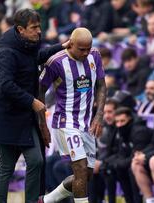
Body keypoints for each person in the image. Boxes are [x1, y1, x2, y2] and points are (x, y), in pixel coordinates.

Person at [0, 9, 69, 203]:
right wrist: (32, 102)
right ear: (21, 30)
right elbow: (5, 85)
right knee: (6, 167)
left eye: (39, 26)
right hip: (5, 118)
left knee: (36, 160)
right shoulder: (6, 52)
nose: (39, 31)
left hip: (24, 117)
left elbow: (38, 56)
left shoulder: (27, 46)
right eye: (34, 28)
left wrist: (62, 46)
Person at [38, 27, 107, 203]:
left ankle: (47, 200)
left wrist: (99, 115)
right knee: (81, 170)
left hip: (87, 124)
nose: (85, 53)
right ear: (71, 44)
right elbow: (39, 91)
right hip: (65, 122)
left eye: (88, 48)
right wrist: (42, 123)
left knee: (86, 175)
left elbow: (101, 85)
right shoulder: (56, 62)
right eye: (81, 49)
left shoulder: (95, 55)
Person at [102, 107, 151, 203]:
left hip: (145, 162)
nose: (119, 125)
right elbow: (121, 154)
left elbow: (136, 156)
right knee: (107, 168)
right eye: (117, 122)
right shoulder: (122, 132)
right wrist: (109, 163)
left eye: (122, 121)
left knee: (129, 169)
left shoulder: (139, 132)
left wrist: (118, 163)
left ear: (130, 120)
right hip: (131, 162)